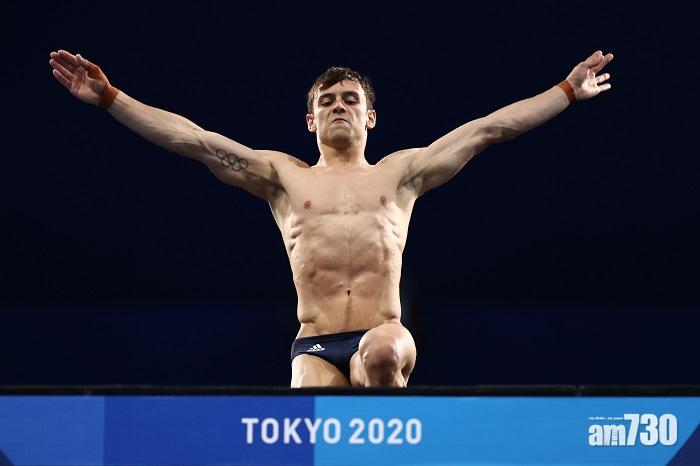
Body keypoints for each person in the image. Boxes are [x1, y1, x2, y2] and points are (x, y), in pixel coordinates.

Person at [49, 49, 613, 388]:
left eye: (349, 99)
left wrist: (567, 90)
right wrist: (110, 98)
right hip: (315, 341)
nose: (338, 105)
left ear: (371, 117)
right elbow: (195, 141)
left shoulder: (401, 173)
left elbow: (490, 128)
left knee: (382, 354)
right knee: (309, 396)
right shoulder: (282, 177)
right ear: (310, 121)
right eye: (326, 101)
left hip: (383, 330)